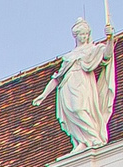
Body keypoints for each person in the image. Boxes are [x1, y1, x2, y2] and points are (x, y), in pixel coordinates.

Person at [37, 18, 116, 154]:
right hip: (67, 86)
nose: (84, 37)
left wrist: (110, 38)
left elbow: (107, 55)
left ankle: (93, 137)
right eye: (81, 34)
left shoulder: (92, 49)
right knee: (72, 113)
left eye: (86, 34)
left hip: (82, 84)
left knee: (80, 109)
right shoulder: (70, 56)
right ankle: (81, 141)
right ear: (76, 35)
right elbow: (57, 78)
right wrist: (43, 95)